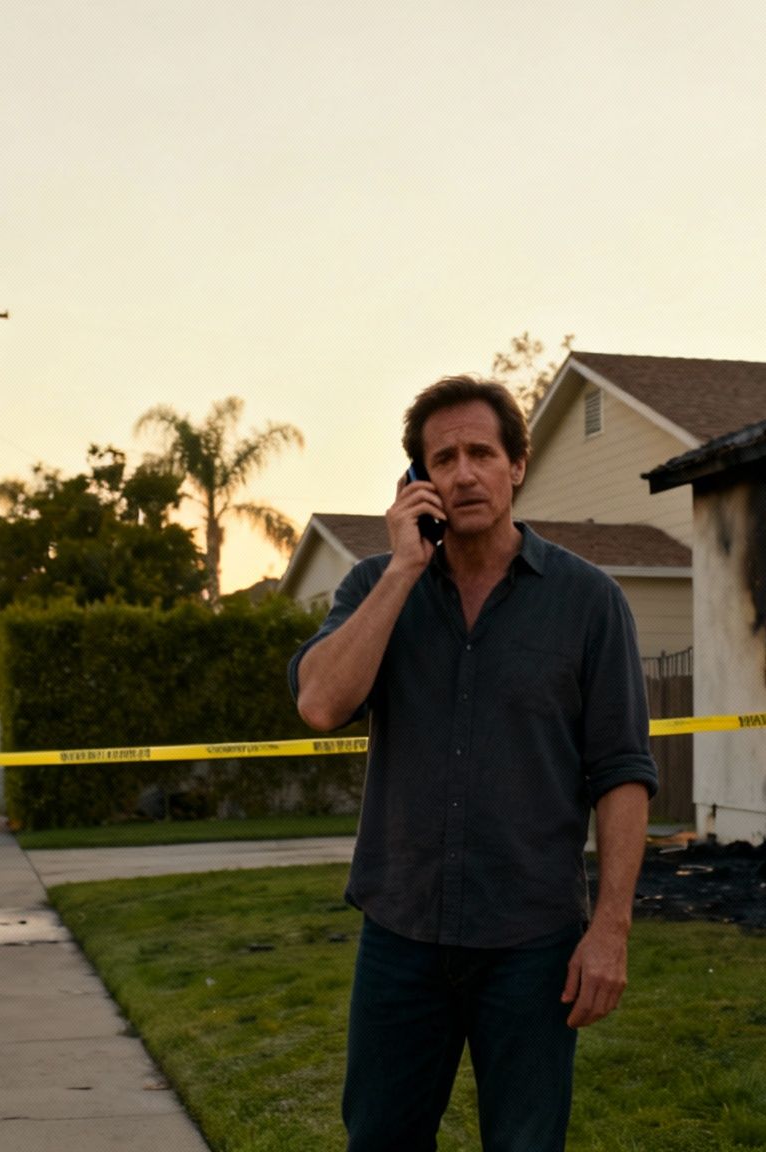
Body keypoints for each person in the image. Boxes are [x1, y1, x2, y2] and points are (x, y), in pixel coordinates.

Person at [288, 375, 657, 1151]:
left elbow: (622, 772)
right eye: (443, 459)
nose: (464, 474)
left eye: (482, 453)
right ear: (416, 480)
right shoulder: (375, 586)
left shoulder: (588, 602)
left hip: (532, 942)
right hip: (402, 934)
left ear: (517, 464)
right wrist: (402, 570)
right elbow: (320, 703)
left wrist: (610, 930)